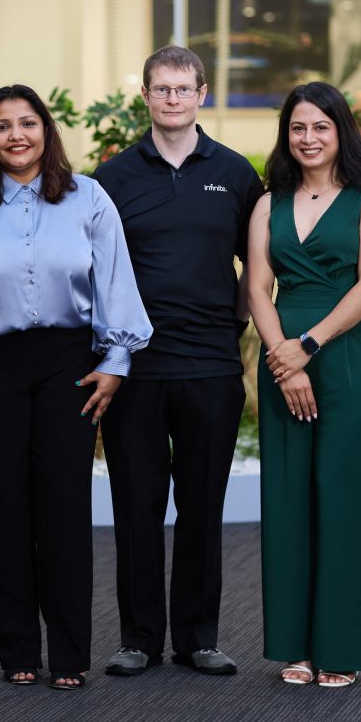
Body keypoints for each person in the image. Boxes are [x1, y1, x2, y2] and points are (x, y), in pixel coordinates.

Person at [0, 84, 151, 689]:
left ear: (47, 131)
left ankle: (69, 655)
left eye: (28, 124)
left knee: (66, 508)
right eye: (2, 126)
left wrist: (116, 361)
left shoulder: (88, 197)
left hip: (69, 364)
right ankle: (17, 650)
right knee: (4, 508)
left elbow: (116, 279)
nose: (16, 135)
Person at [92, 45, 262, 678]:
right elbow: (96, 269)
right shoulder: (112, 178)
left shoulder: (237, 174)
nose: (171, 99)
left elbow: (259, 260)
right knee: (136, 508)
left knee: (201, 508)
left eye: (182, 89)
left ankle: (198, 637)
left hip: (211, 368)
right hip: (134, 371)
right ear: (145, 96)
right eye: (160, 90)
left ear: (202, 94)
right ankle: (139, 637)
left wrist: (239, 318)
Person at [247, 82, 361, 688]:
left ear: (342, 132)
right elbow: (257, 287)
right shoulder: (268, 202)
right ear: (287, 136)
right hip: (283, 357)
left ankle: (338, 647)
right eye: (298, 128)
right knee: (285, 501)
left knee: (341, 498)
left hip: (343, 356)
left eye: (320, 127)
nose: (308, 139)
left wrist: (306, 347)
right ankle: (294, 646)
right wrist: (282, 358)